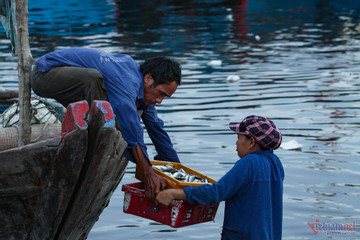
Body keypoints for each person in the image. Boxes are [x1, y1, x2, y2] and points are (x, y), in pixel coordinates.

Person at [30, 47, 182, 200]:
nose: (159, 101)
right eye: (161, 93)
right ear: (148, 78)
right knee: (94, 80)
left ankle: (95, 131)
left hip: (72, 83)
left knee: (126, 118)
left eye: (165, 97)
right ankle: (95, 138)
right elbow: (131, 124)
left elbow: (156, 128)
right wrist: (148, 172)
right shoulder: (126, 81)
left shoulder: (142, 90)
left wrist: (178, 172)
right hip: (44, 74)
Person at [156, 115, 284, 240]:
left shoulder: (249, 162)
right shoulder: (275, 163)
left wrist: (174, 193)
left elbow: (216, 192)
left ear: (251, 142)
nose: (236, 142)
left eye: (239, 137)